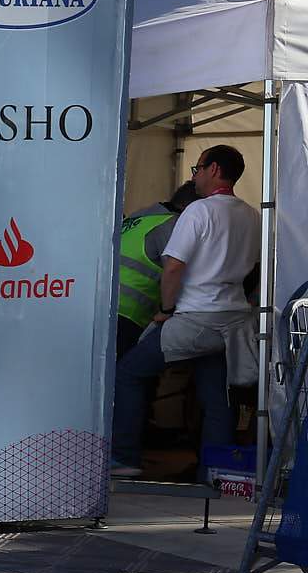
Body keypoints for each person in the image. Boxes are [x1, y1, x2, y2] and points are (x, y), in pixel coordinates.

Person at [111, 145, 261, 479]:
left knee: (129, 373)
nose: (193, 175)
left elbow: (174, 266)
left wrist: (165, 310)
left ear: (214, 169)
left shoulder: (197, 212)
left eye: (198, 168)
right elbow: (256, 268)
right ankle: (215, 471)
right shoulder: (252, 215)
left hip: (195, 317)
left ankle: (125, 458)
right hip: (233, 320)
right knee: (217, 398)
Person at [116, 181, 202, 358]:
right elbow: (177, 272)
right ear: (191, 208)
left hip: (106, 306)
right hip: (130, 314)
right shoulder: (173, 225)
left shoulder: (139, 216)